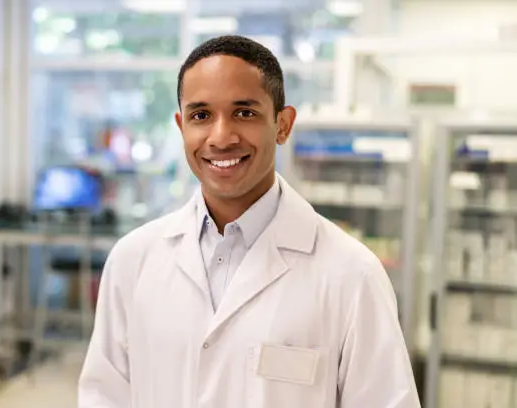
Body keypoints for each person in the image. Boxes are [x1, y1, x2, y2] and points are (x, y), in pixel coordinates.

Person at [78, 35, 420, 408]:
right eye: (201, 115)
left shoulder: (353, 275)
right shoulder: (133, 260)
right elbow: (104, 395)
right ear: (181, 127)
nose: (221, 137)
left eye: (244, 112)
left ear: (283, 125)